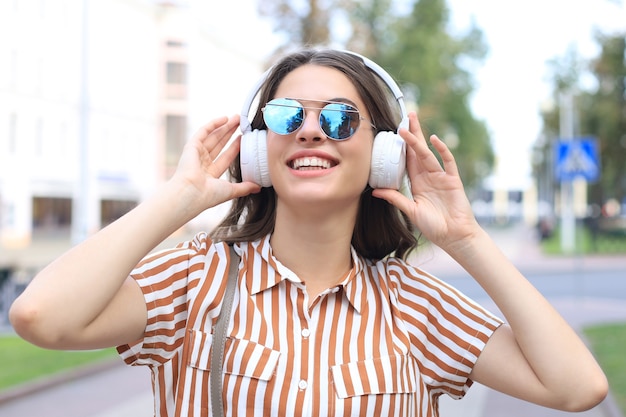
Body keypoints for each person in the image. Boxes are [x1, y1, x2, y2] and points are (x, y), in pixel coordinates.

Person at [10, 48, 607, 416]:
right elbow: (42, 316)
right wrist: (178, 200)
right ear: (258, 148)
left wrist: (467, 241)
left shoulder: (417, 307)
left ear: (383, 154)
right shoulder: (195, 279)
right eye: (286, 115)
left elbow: (577, 388)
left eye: (342, 118)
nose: (312, 131)